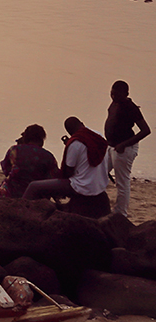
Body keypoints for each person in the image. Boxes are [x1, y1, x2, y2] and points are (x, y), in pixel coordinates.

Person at [23, 117, 110, 203]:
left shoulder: (75, 143)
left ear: (70, 132)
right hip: (99, 185)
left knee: (33, 186)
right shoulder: (98, 136)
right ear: (82, 124)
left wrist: (69, 147)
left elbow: (68, 172)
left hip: (81, 187)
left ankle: (21, 209)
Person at [106, 80, 150, 218]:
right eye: (112, 93)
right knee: (99, 172)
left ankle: (120, 213)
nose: (113, 96)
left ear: (126, 94)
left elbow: (145, 130)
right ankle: (95, 204)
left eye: (116, 94)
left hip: (124, 149)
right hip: (111, 146)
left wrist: (123, 145)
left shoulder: (131, 107)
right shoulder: (114, 103)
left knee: (122, 182)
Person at [0, 124, 60, 199]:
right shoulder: (48, 156)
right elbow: (53, 176)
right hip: (37, 195)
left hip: (13, 191)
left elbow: (6, 170)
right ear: (42, 139)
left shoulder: (14, 150)